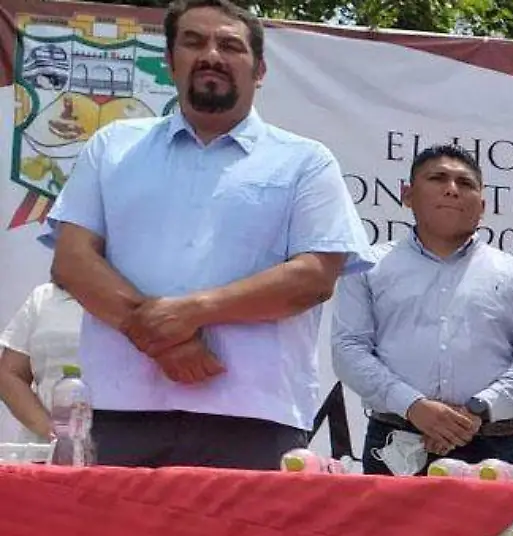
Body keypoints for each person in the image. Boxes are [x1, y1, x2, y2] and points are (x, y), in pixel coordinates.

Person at [47, 0, 367, 469]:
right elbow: (73, 262)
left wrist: (194, 311)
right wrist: (165, 340)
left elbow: (314, 278)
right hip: (120, 409)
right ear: (170, 61)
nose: (212, 55)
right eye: (194, 42)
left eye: (230, 45)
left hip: (255, 415)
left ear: (259, 70)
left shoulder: (305, 161)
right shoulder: (112, 147)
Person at [332, 144, 513, 475]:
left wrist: (477, 410)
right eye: (438, 178)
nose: (452, 190)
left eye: (465, 184)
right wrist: (414, 407)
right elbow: (349, 350)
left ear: (483, 203)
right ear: (407, 195)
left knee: (495, 530)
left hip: (492, 443)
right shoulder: (368, 268)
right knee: (392, 529)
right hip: (397, 439)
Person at [0, 282, 83, 441]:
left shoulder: (138, 296)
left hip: (125, 442)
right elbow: (10, 373)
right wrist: (53, 433)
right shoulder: (44, 297)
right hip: (46, 449)